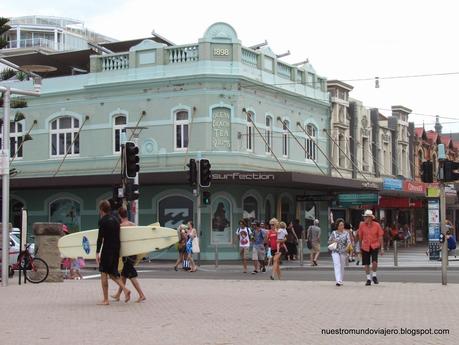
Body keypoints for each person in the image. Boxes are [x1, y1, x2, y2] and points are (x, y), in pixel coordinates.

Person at [96, 200, 130, 305]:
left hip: (107, 249)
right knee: (112, 273)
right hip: (116, 249)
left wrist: (97, 252)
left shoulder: (102, 221)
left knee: (103, 273)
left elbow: (100, 238)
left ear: (101, 209)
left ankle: (106, 300)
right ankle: (125, 289)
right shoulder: (116, 220)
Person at [111, 207, 146, 303]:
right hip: (133, 252)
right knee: (124, 275)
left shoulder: (121, 226)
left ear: (119, 216)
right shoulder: (133, 225)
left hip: (127, 254)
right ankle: (118, 295)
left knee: (131, 275)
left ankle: (141, 295)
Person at [358, 209, 384, 286]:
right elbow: (360, 236)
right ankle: (368, 278)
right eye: (364, 217)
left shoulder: (377, 225)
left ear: (370, 218)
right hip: (365, 246)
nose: (365, 218)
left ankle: (374, 275)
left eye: (366, 217)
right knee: (366, 263)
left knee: (374, 262)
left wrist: (382, 248)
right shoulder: (362, 225)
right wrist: (359, 247)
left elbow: (380, 236)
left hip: (374, 245)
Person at [328, 218, 351, 286]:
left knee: (342, 266)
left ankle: (341, 279)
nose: (342, 226)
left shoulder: (346, 233)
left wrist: (347, 248)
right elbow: (329, 241)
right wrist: (334, 241)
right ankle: (338, 280)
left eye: (343, 225)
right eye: (340, 225)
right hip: (335, 251)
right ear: (337, 226)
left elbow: (349, 242)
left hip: (343, 251)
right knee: (337, 264)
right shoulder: (334, 233)